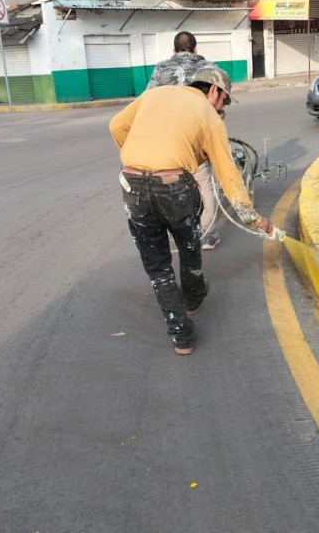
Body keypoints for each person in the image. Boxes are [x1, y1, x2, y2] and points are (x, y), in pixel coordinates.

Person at [109, 65, 273, 356]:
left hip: (131, 183)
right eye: (224, 100)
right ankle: (193, 299)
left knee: (157, 266)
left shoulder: (155, 94)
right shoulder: (209, 116)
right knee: (188, 245)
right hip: (174, 185)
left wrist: (137, 160)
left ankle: (180, 335)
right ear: (213, 90)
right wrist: (254, 219)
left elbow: (116, 127)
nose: (223, 108)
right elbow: (228, 175)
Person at [146, 31, 222, 251]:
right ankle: (207, 236)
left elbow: (149, 99)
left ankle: (178, 233)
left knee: (172, 184)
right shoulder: (210, 67)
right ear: (195, 49)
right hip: (198, 138)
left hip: (167, 140)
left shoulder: (161, 69)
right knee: (205, 184)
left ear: (174, 50)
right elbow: (219, 102)